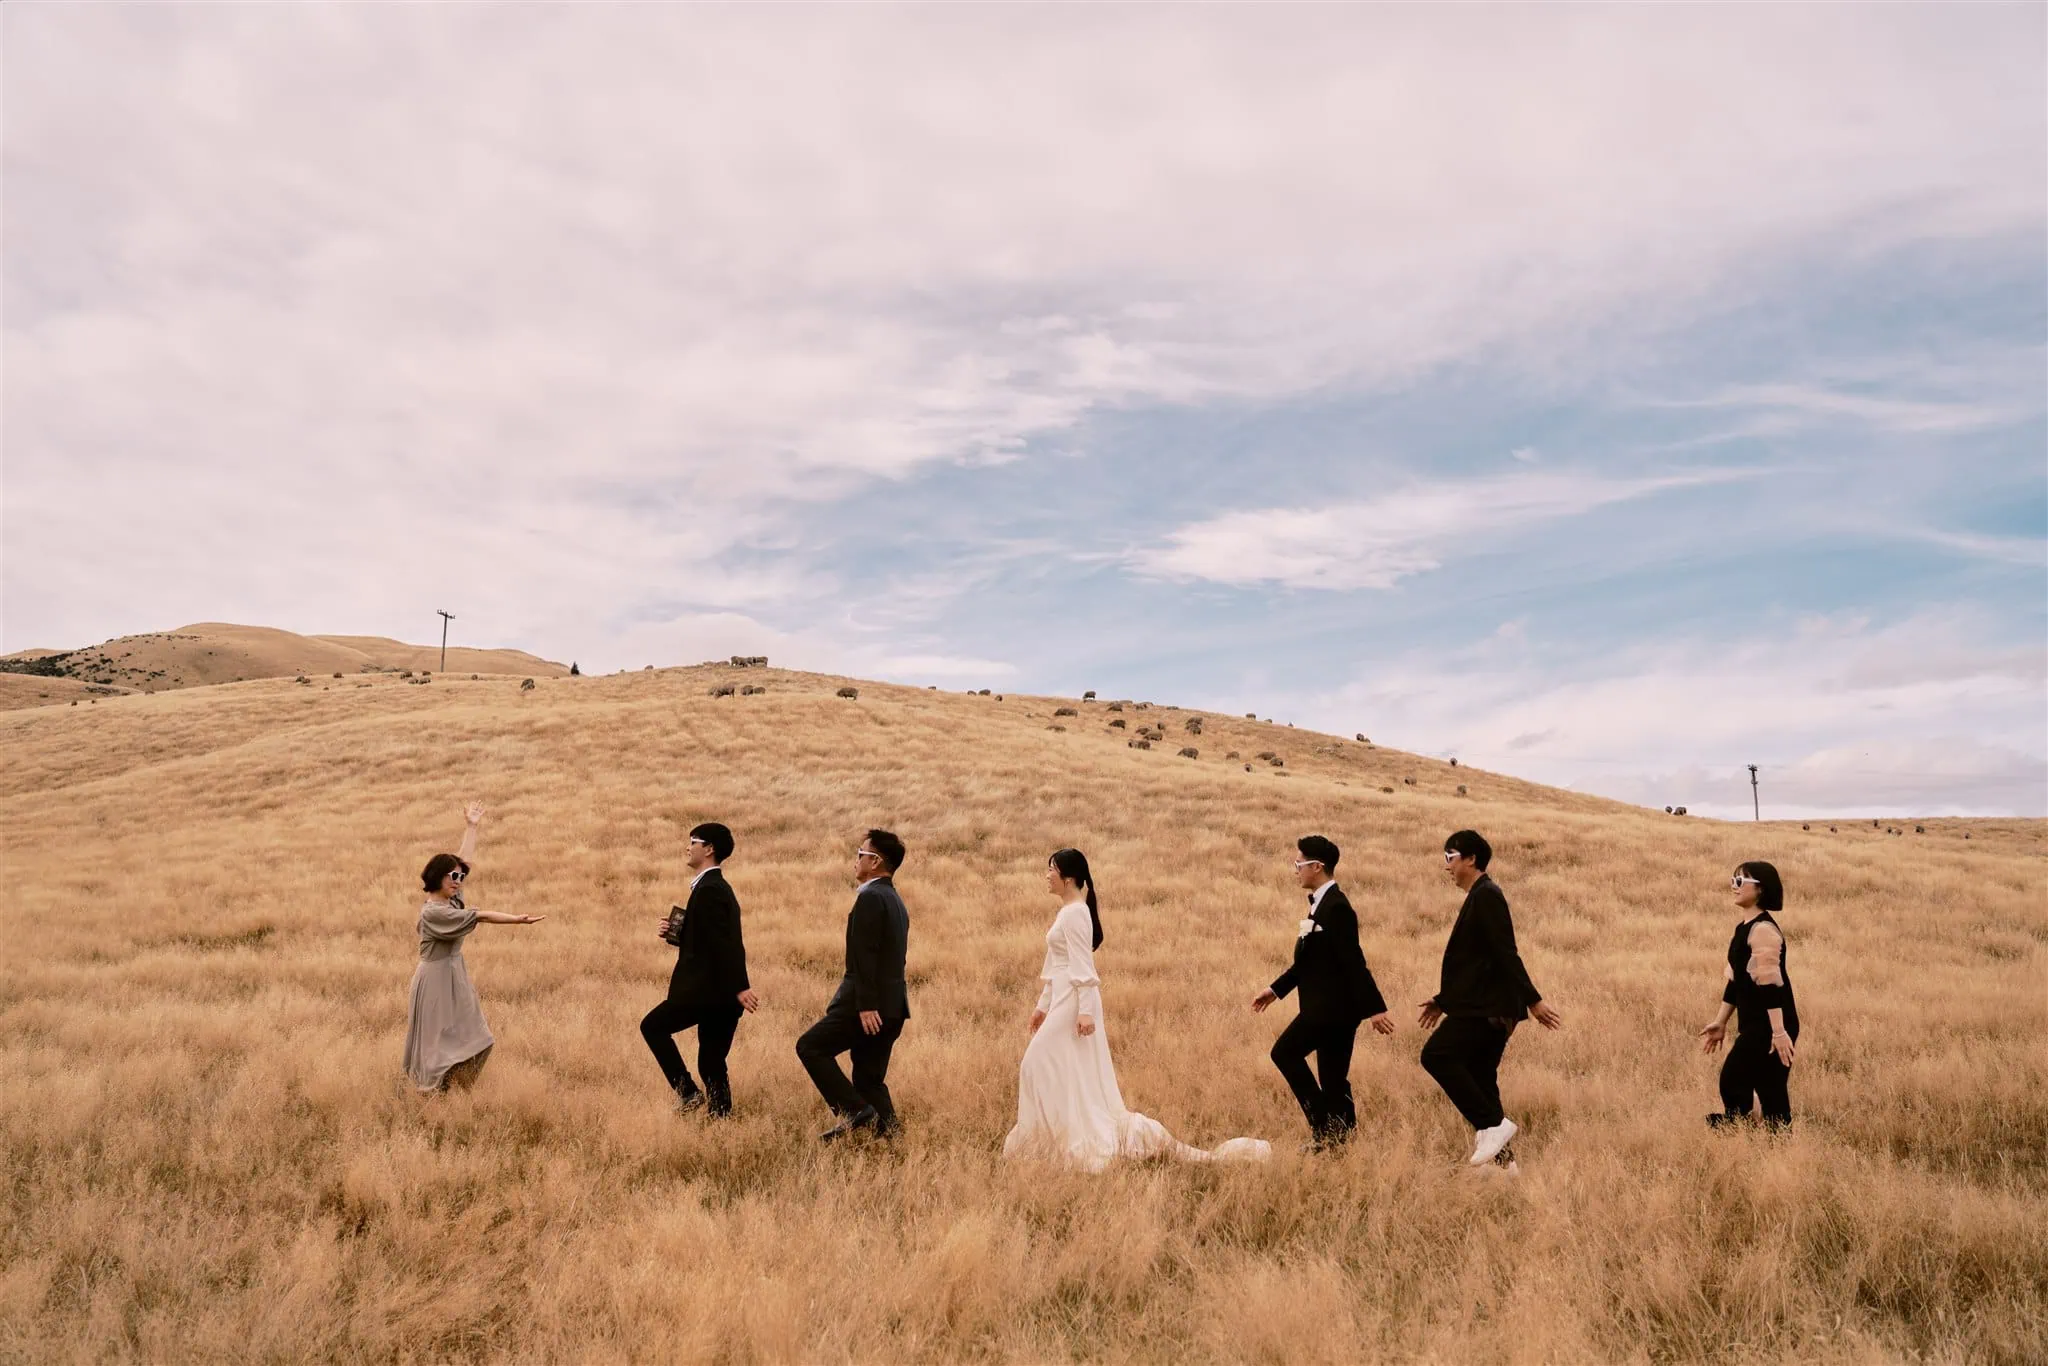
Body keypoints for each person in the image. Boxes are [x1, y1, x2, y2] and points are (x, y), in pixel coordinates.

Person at [1004, 848, 1271, 1172]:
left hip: (1074, 1001)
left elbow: (1082, 966)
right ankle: (1055, 1136)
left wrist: (1085, 1011)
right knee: (1058, 1068)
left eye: (1051, 869)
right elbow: (1058, 965)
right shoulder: (1068, 911)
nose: (1047, 875)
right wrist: (1041, 1006)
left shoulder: (1075, 914)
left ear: (1068, 877)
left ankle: (1069, 1135)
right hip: (1063, 997)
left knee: (1036, 1063)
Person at [1418, 829, 1560, 1170]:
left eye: (1450, 858)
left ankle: (1492, 1127)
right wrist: (1442, 1000)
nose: (1447, 866)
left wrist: (1534, 1001)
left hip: (1489, 1009)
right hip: (1485, 1006)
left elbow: (1504, 953)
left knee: (1436, 1056)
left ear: (1471, 859)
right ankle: (1504, 1167)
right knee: (1481, 1078)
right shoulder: (1480, 895)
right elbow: (1476, 964)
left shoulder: (1487, 896)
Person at [1252, 835, 1394, 1149]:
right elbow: (1307, 964)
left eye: (1299, 863)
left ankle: (1324, 1127)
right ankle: (1340, 1141)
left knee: (1284, 1054)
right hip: (1332, 1010)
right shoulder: (1322, 905)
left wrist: (1375, 1008)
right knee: (1333, 1078)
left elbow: (1353, 961)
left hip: (1330, 1010)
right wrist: (1275, 990)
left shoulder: (1337, 907)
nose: (1296, 870)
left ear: (1317, 866)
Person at [402, 801, 544, 1093]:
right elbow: (481, 916)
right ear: (437, 877)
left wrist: (471, 827)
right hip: (435, 979)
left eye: (459, 877)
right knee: (435, 1044)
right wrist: (517, 920)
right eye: (452, 876)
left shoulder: (451, 900)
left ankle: (454, 1090)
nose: (458, 881)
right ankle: (430, 1093)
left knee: (477, 1038)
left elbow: (463, 861)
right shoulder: (434, 912)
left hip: (454, 974)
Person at [796, 830, 911, 1141]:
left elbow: (864, 956)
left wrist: (866, 1005)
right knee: (869, 1079)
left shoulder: (871, 897)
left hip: (869, 1006)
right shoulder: (895, 900)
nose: (855, 860)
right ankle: (892, 1141)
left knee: (810, 1047)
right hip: (894, 1006)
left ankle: (852, 1111)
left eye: (860, 854)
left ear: (875, 862)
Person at [640, 822, 760, 1116]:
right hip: (719, 993)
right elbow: (707, 939)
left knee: (652, 1027)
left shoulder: (710, 890)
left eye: (693, 841)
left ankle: (688, 1093)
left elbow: (726, 944)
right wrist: (675, 933)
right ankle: (720, 1118)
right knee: (711, 1062)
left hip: (706, 992)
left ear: (709, 849)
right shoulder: (713, 887)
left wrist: (741, 986)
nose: (687, 847)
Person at [1698, 861, 1799, 1130]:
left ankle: (1741, 1127)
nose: (1734, 886)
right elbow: (1736, 982)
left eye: (1741, 882)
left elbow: (1770, 985)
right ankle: (1768, 1136)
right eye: (1733, 880)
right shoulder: (1743, 928)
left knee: (1734, 1080)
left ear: (1760, 889)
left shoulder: (1763, 930)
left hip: (1771, 1023)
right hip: (1759, 1022)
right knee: (1769, 1087)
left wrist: (1779, 1032)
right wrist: (1720, 1022)